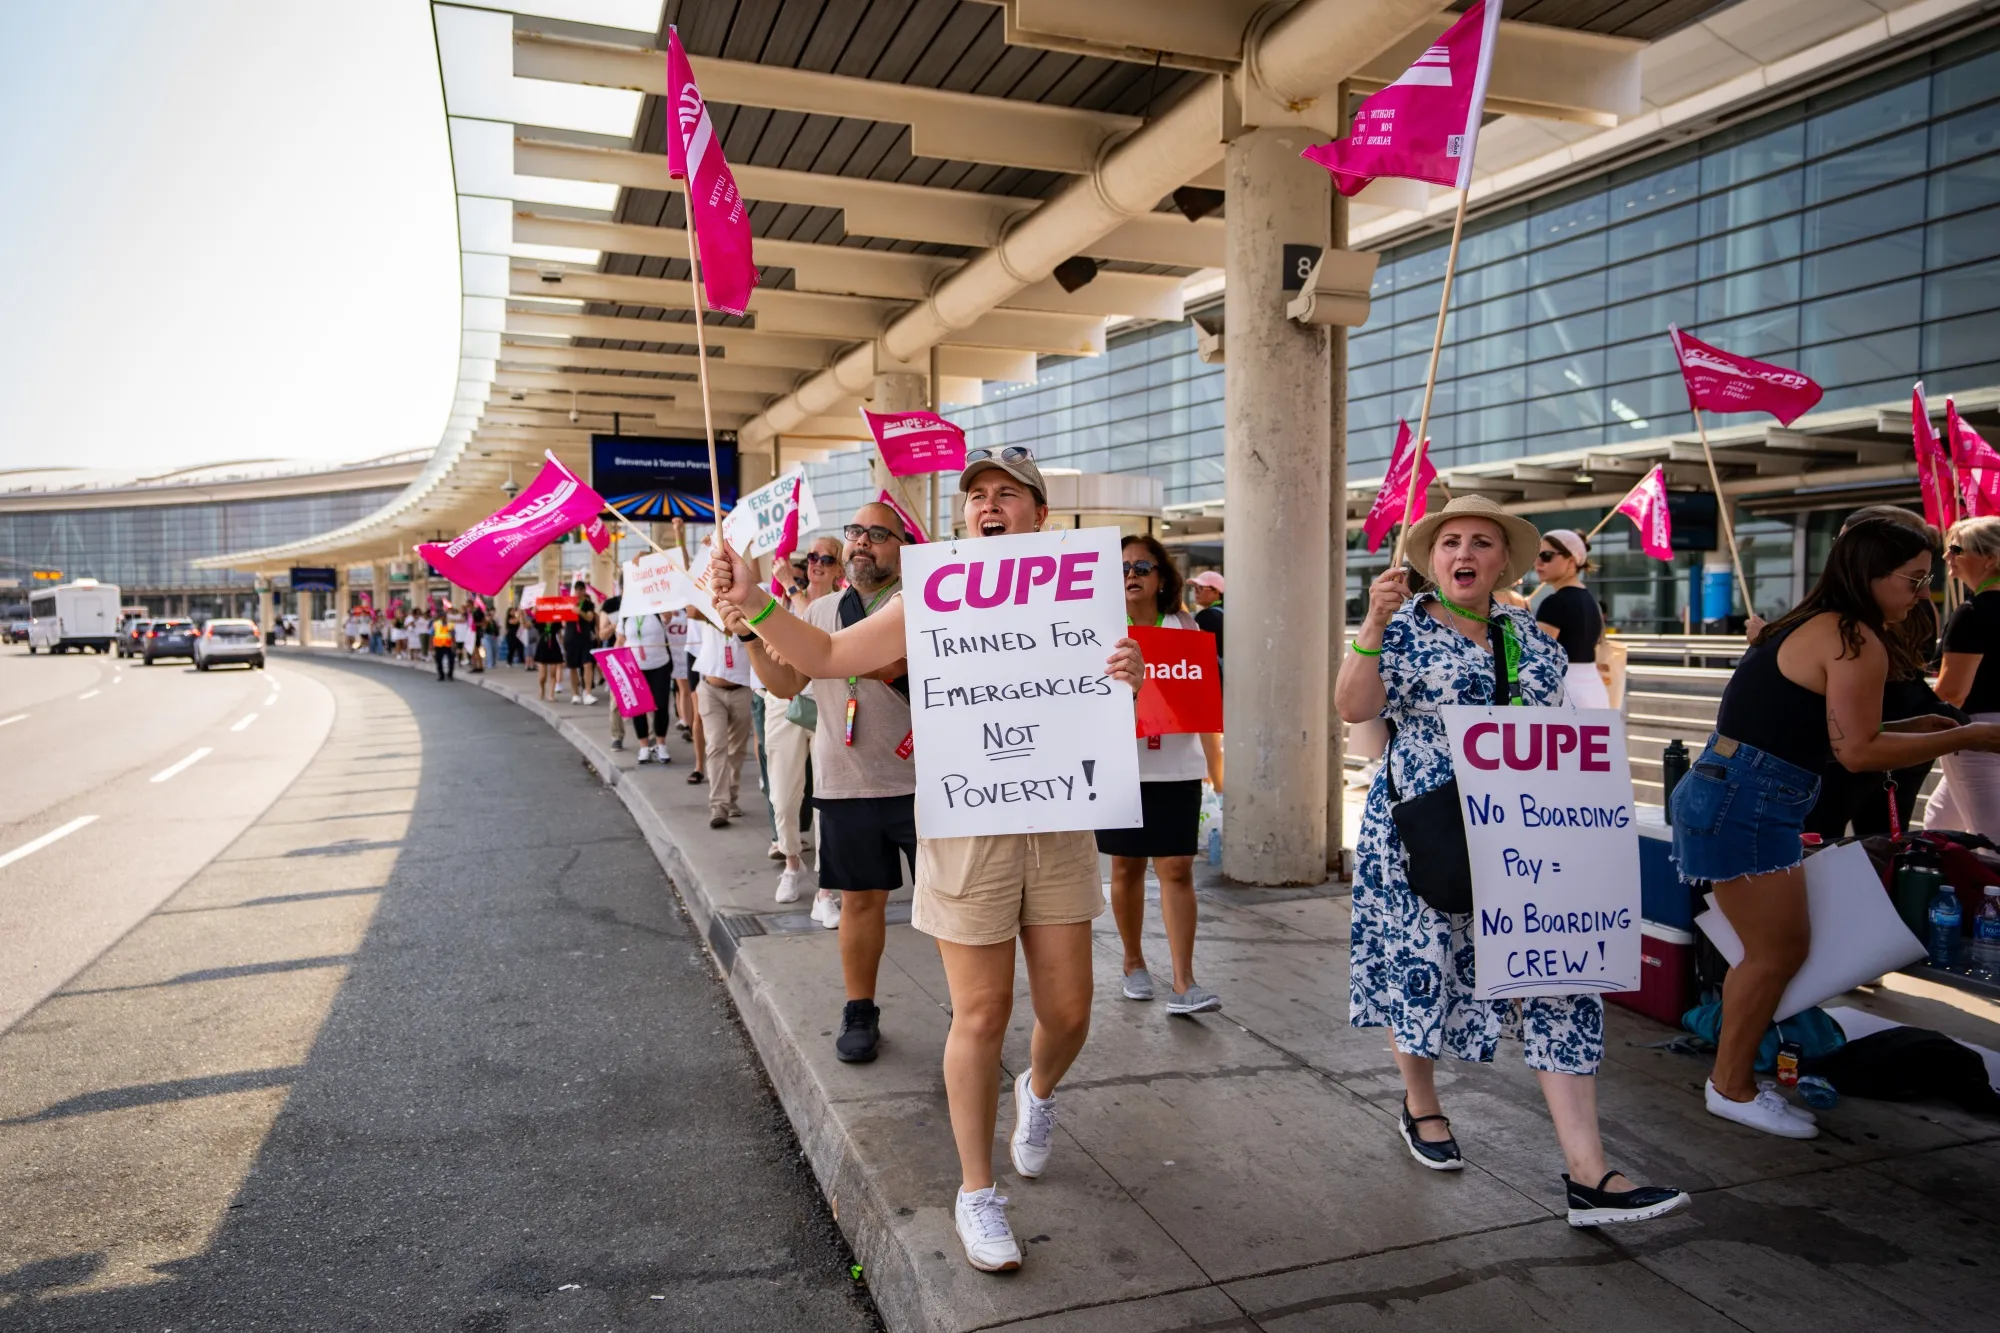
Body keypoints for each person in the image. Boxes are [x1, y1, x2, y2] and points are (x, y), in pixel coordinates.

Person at [708, 446, 1144, 1274]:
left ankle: (1038, 1093)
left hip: (1057, 823)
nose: (989, 503)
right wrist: (758, 600)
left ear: (1038, 515)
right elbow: (830, 656)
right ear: (961, 515)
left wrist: (1131, 672)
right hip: (969, 826)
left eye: (1007, 494)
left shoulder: (1087, 589)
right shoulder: (931, 597)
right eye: (976, 493)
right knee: (979, 1013)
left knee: (1071, 1011)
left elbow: (1115, 705)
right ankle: (977, 1192)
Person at [1336, 494, 1689, 1227]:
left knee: (1563, 977)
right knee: (1421, 969)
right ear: (1432, 560)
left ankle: (1589, 1173)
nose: (1465, 552)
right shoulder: (1398, 630)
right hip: (1421, 834)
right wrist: (1372, 622)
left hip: (1526, 836)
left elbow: (1556, 729)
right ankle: (1421, 1103)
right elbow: (1351, 706)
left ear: (1503, 563)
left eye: (1482, 542)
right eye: (1451, 541)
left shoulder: (1533, 638)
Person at [1674, 516, 2000, 1138]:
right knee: (1774, 954)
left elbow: (1830, 735)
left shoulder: (1812, 622)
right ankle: (1733, 1086)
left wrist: (1918, 729)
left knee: (1771, 953)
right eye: (1913, 579)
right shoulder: (1854, 638)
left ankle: (1733, 1078)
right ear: (1869, 575)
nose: (1921, 594)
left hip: (1736, 792)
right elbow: (1855, 754)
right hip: (1747, 802)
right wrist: (1970, 734)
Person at [740, 505, 915, 1062]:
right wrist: (746, 631)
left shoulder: (927, 602)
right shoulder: (819, 610)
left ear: (901, 547)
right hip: (845, 783)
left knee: (950, 905)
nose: (863, 543)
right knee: (860, 902)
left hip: (927, 783)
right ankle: (859, 1008)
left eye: (878, 535)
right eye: (856, 533)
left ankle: (970, 1007)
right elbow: (787, 682)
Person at [1101, 534, 1225, 1015]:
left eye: (1141, 566)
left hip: (1176, 766)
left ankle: (1183, 982)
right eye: (1122, 568)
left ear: (1162, 577)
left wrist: (1216, 770)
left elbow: (1204, 704)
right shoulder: (1099, 628)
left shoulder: (1185, 626)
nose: (1131, 575)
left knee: (1176, 868)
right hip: (1121, 766)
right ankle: (1133, 963)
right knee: (1125, 866)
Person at [1804, 507, 1951, 838]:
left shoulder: (1857, 623)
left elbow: (1855, 749)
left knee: (1827, 838)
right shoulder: (1879, 616)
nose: (1922, 593)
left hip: (1872, 734)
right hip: (1899, 726)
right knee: (1882, 841)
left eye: (1847, 543)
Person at [761, 540, 843, 915]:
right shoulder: (782, 602)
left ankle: (827, 887)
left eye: (827, 559)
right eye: (812, 557)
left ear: (840, 569)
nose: (817, 564)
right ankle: (792, 863)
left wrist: (791, 589)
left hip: (828, 702)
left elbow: (820, 636)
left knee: (830, 798)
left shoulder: (843, 606)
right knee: (783, 794)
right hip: (784, 704)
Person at [1931, 515, 2000, 837]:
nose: (1947, 556)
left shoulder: (1972, 613)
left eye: (1956, 549)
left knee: (1991, 845)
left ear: (1989, 559)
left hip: (1978, 740)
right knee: (1937, 829)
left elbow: (1951, 694)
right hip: (1981, 741)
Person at [690, 607, 755, 828]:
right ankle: (719, 805)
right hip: (710, 690)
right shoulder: (702, 607)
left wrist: (706, 617)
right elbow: (693, 647)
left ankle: (731, 797)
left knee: (737, 749)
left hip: (743, 688)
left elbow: (735, 628)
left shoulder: (746, 605)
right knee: (716, 745)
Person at [1533, 529, 1609, 709]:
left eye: (1547, 556)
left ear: (1571, 560)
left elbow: (1537, 658)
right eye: (1536, 556)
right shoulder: (1591, 600)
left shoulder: (1555, 603)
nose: (1538, 563)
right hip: (1595, 691)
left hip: (1565, 694)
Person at [614, 597, 678, 766]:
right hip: (634, 667)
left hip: (659, 664)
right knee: (639, 707)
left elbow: (668, 616)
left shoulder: (657, 607)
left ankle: (661, 744)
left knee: (661, 705)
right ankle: (643, 746)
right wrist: (613, 660)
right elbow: (620, 639)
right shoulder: (626, 612)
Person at [1189, 570, 1224, 671]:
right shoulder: (1230, 613)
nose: (1196, 592)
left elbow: (1196, 652)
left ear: (1216, 591)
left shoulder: (1206, 617)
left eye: (1200, 588)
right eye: (1195, 588)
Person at [534, 602, 565, 700]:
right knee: (542, 677)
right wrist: (523, 615)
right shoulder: (541, 620)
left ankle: (551, 694)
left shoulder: (557, 621)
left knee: (553, 673)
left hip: (554, 646)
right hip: (543, 646)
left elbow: (561, 630)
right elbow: (527, 625)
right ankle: (542, 689)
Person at [431, 604, 457, 681]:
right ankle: (441, 675)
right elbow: (432, 634)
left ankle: (450, 675)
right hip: (438, 645)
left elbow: (453, 634)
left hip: (448, 645)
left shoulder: (450, 623)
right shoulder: (436, 623)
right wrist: (431, 645)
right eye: (441, 616)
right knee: (438, 661)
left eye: (444, 616)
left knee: (451, 660)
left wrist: (454, 643)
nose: (443, 618)